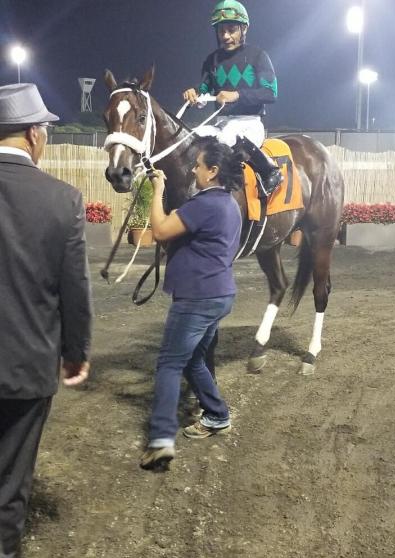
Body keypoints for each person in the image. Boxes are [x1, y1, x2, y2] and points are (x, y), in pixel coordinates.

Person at [0, 83, 92, 558]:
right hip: (26, 365)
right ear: (35, 134)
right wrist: (75, 351)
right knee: (12, 480)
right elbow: (74, 289)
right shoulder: (63, 200)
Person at [140, 137, 243, 470]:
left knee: (169, 363)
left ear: (212, 171)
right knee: (193, 359)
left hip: (197, 298)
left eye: (198, 165)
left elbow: (159, 230)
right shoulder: (229, 204)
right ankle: (217, 414)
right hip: (219, 295)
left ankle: (160, 440)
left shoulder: (205, 203)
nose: (194, 169)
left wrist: (157, 189)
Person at [182, 0, 282, 195]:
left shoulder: (258, 56)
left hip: (249, 123)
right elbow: (204, 89)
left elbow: (271, 93)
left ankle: (271, 171)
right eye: (221, 31)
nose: (226, 36)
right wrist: (194, 93)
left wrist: (237, 95)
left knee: (230, 140)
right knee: (189, 139)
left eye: (232, 30)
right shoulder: (212, 60)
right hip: (220, 123)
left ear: (244, 29)